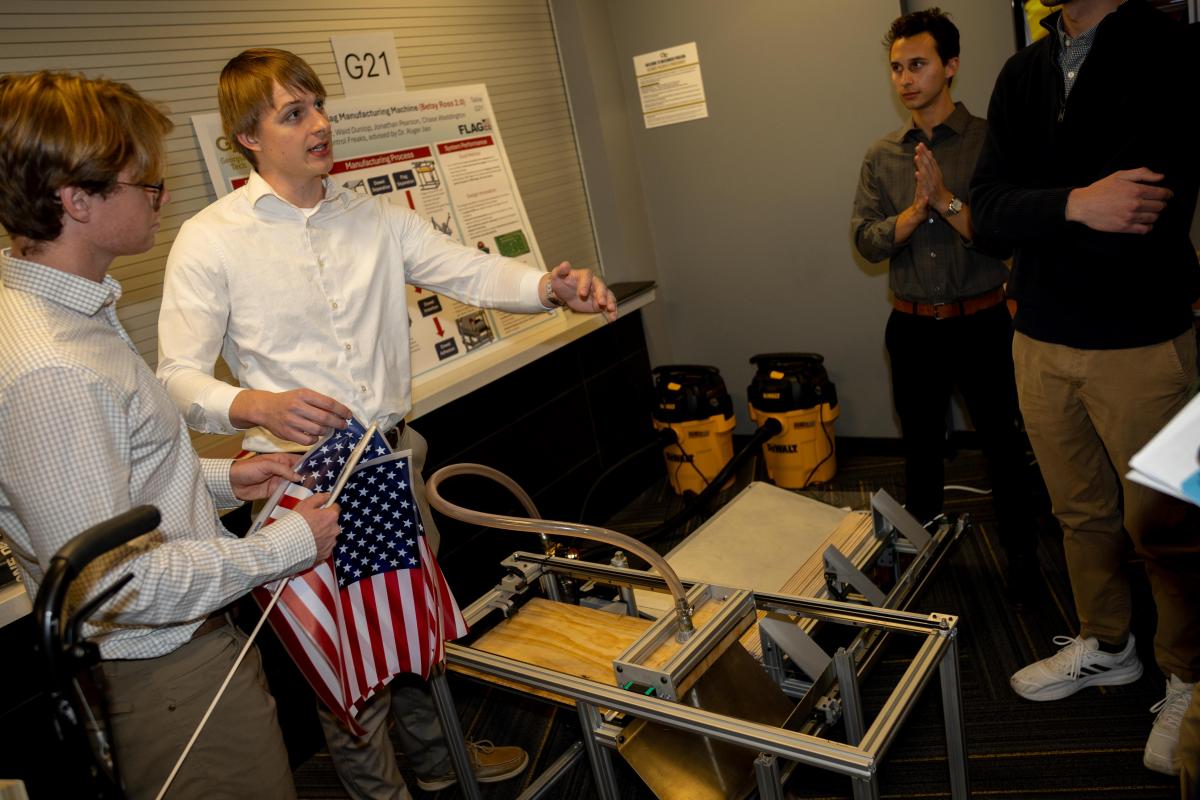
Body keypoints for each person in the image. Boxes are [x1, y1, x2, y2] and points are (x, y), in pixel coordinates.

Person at [157, 48, 618, 799]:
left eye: (319, 106)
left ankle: (439, 766)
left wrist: (548, 286)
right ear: (247, 135)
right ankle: (384, 794)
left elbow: (470, 270)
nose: (321, 124)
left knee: (411, 631)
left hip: (392, 462)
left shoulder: (374, 216)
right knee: (346, 664)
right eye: (295, 113)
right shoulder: (211, 238)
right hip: (298, 483)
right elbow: (174, 376)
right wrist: (255, 406)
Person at [0, 71, 341, 800]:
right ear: (77, 199)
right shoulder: (49, 367)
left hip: (184, 650)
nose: (160, 198)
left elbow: (115, 484)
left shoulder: (76, 317)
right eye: (146, 184)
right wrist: (280, 549)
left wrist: (223, 480)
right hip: (168, 668)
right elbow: (115, 584)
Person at [971, 0, 1200, 777]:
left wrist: (1039, 205)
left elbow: (1144, 201)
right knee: (1078, 513)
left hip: (1142, 343)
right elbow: (988, 215)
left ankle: (1189, 677)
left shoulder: (1171, 49)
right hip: (1038, 339)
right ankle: (1108, 644)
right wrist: (1075, 202)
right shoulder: (1023, 72)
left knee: (1168, 526)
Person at [851, 8, 1040, 606]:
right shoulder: (881, 155)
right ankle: (922, 558)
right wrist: (909, 217)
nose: (905, 78)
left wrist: (945, 200)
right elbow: (864, 238)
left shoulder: (989, 141)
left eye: (918, 64)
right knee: (921, 453)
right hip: (911, 329)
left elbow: (1005, 235)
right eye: (896, 68)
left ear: (951, 66)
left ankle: (1024, 561)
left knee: (1005, 448)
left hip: (982, 323)